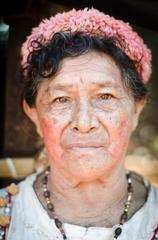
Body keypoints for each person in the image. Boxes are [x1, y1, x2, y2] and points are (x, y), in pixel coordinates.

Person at [0, 7, 157, 240]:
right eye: (61, 99)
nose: (84, 124)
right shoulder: (7, 215)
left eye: (105, 96)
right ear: (34, 114)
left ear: (136, 109)